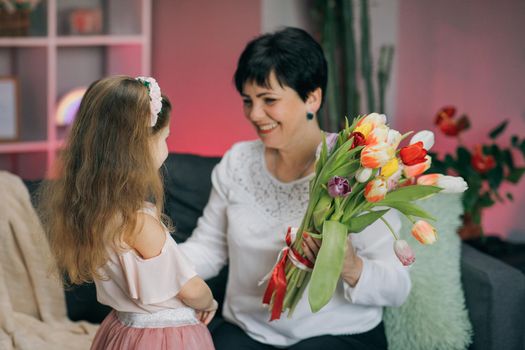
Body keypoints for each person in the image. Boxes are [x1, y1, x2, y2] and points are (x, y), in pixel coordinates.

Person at [180, 27, 411, 350]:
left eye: (269, 100)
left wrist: (351, 266)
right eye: (248, 101)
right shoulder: (237, 163)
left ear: (312, 97)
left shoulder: (359, 171)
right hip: (248, 330)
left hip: (338, 335)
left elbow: (398, 287)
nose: (255, 114)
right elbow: (209, 247)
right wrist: (155, 264)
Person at [40, 75, 217, 350]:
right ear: (139, 148)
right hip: (163, 338)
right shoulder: (140, 223)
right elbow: (191, 289)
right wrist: (209, 301)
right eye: (165, 138)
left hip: (122, 329)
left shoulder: (99, 214)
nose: (167, 149)